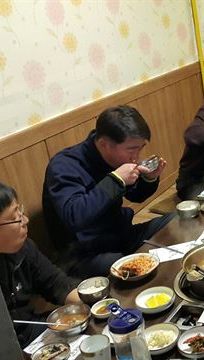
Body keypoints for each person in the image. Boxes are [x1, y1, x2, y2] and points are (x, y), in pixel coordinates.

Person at [42, 105, 173, 278]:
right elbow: (74, 216)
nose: (135, 156)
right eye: (131, 149)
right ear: (104, 144)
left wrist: (149, 178)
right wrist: (116, 179)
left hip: (118, 235)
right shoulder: (64, 166)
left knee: (175, 221)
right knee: (132, 269)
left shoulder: (112, 156)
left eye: (140, 148)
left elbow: (136, 195)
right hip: (83, 254)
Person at [0, 179, 81, 347]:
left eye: (20, 211)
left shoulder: (22, 248)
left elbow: (56, 284)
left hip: (35, 332)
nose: (25, 220)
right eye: (15, 217)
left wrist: (96, 303)